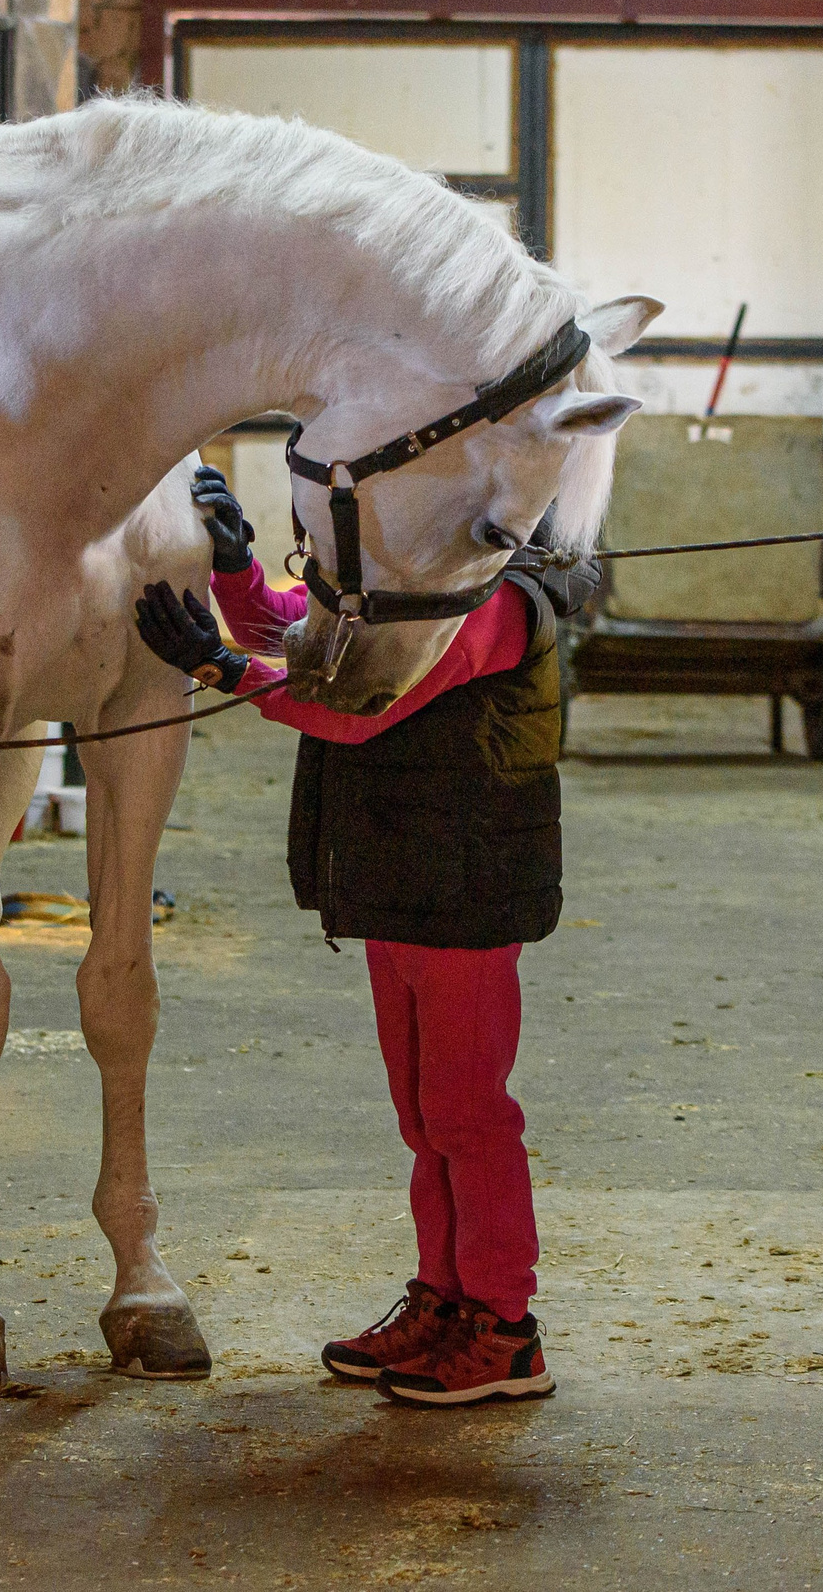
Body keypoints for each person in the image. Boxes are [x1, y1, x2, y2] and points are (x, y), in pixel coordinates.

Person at [132, 464, 593, 1407]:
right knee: (425, 1118)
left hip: (465, 890)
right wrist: (237, 573)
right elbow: (307, 634)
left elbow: (359, 699)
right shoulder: (428, 594)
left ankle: (504, 1327)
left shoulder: (499, 609)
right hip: (405, 882)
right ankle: (446, 1298)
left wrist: (223, 668)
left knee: (469, 1115)